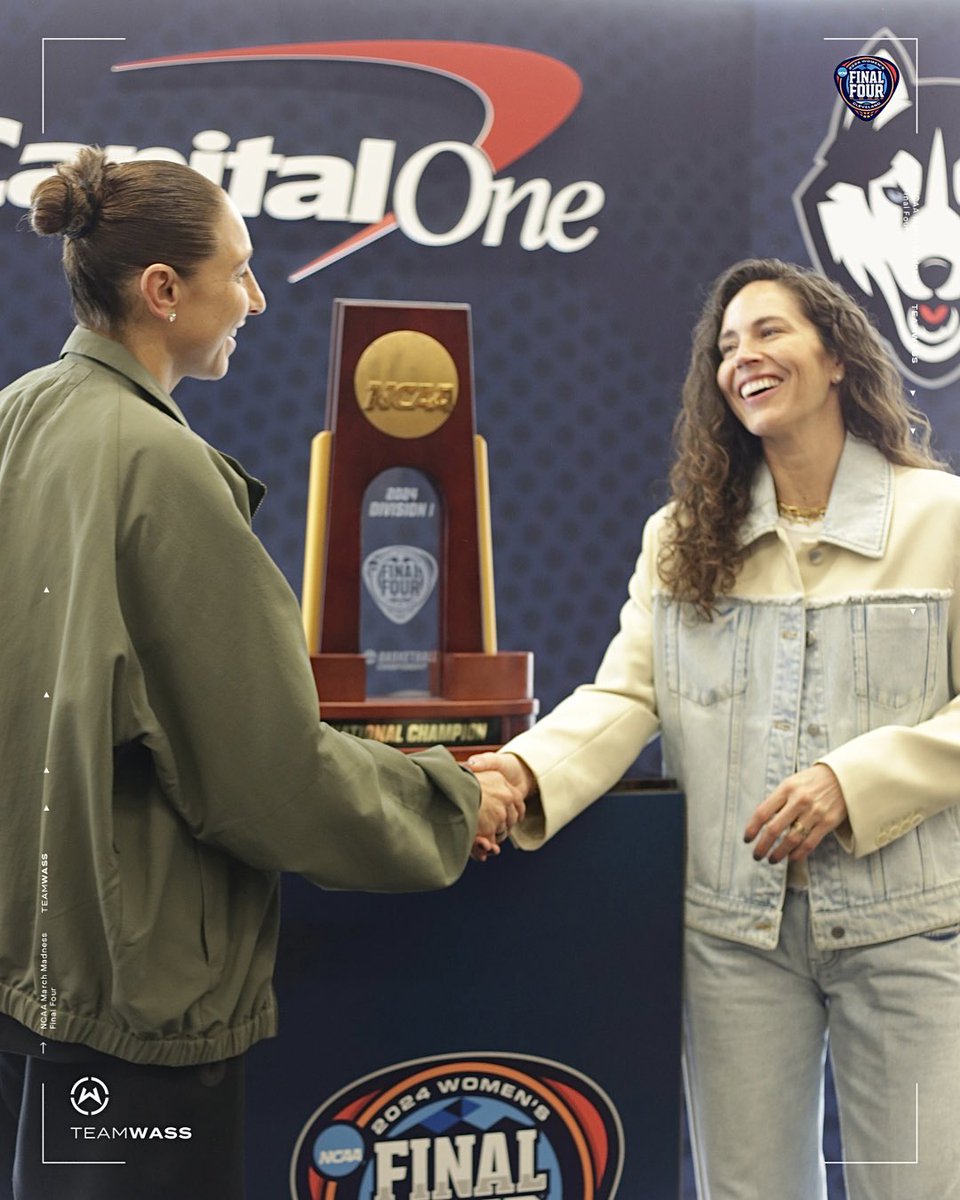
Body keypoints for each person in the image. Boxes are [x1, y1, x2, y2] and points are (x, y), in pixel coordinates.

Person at [0, 147, 521, 1200]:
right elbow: (262, 775)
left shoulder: (20, 415)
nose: (254, 299)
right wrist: (451, 797)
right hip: (137, 997)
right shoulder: (164, 468)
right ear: (162, 292)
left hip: (34, 968)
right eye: (237, 272)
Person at [469, 258, 960, 1200]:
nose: (744, 357)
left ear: (838, 358)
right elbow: (624, 699)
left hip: (908, 928)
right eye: (726, 346)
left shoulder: (939, 516)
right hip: (736, 934)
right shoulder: (682, 536)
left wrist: (852, 781)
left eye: (770, 332)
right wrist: (521, 775)